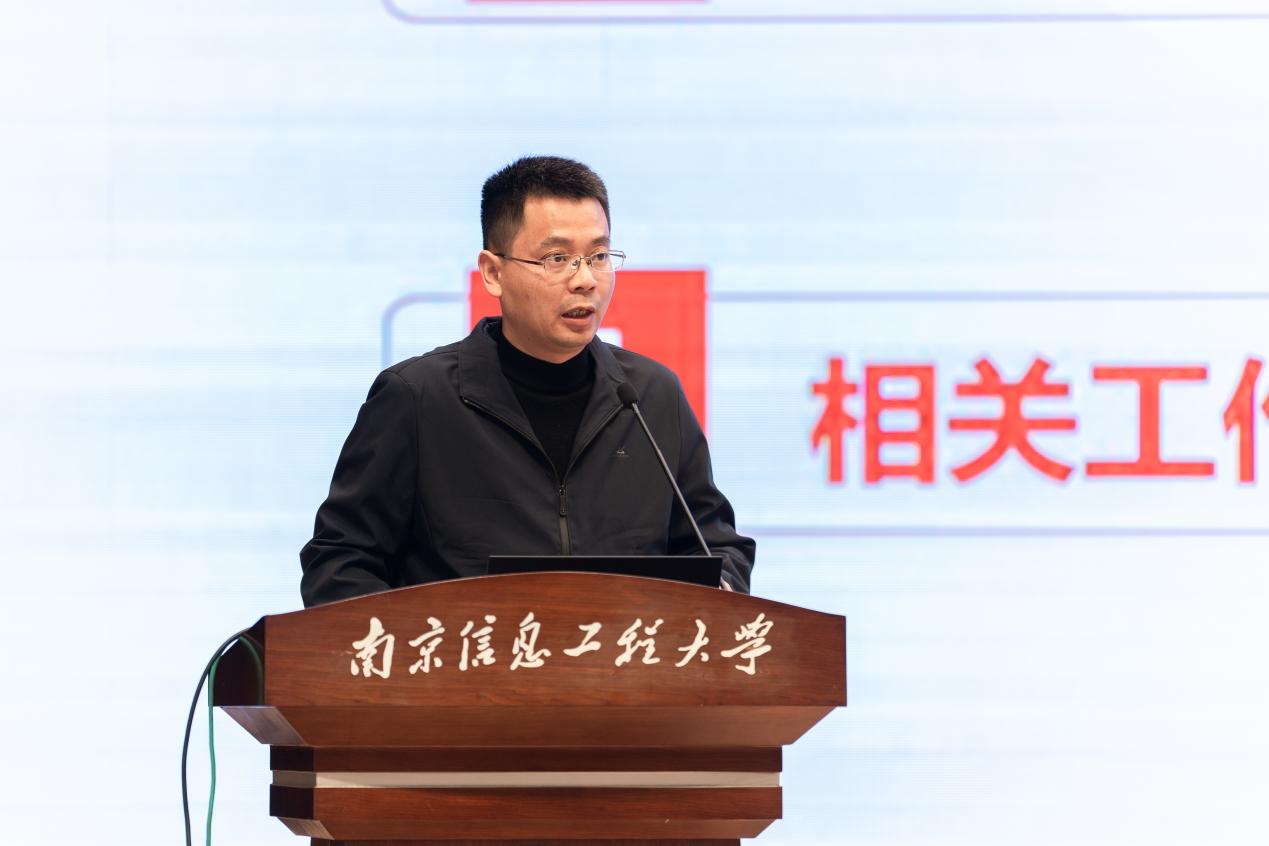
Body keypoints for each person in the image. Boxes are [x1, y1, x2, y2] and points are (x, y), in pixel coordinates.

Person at [299, 156, 754, 607]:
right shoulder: (418, 399)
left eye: (598, 256)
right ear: (493, 272)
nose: (585, 280)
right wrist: (418, 644)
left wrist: (721, 595)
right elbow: (340, 562)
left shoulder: (651, 397)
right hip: (466, 656)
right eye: (558, 258)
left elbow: (714, 546)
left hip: (624, 655)